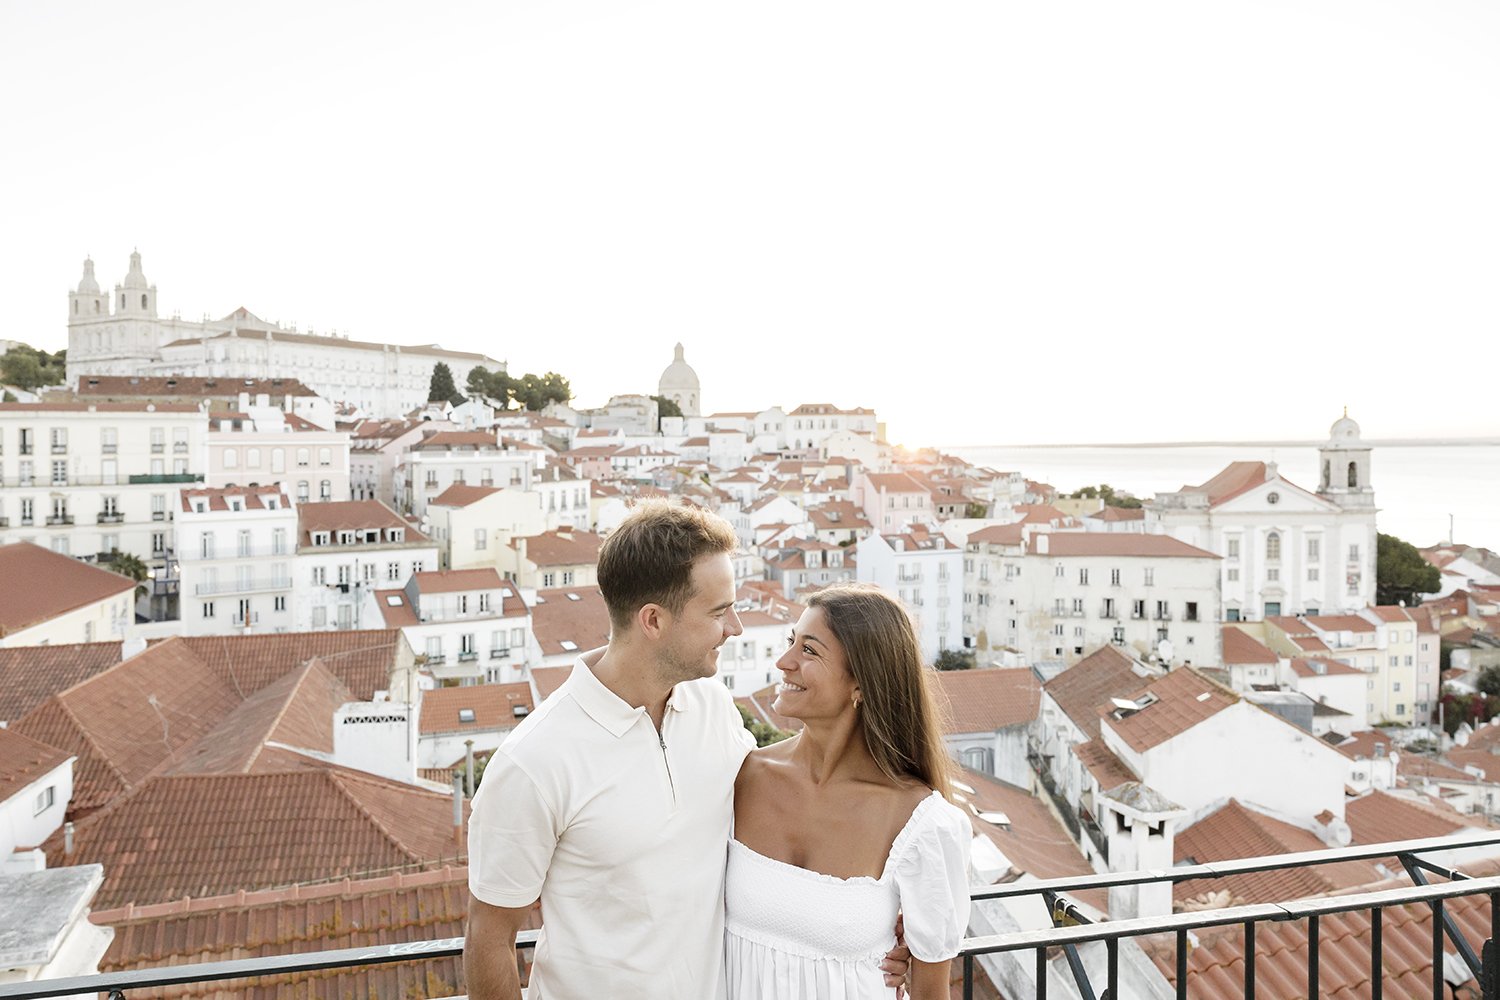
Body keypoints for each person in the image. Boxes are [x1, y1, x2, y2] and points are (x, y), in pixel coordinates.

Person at [464, 501, 909, 999]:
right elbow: (489, 937)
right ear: (653, 620)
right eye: (720, 611)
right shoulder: (533, 761)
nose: (736, 627)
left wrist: (880, 916)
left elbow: (795, 803)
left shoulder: (713, 706)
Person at [727, 584, 971, 999]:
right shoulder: (741, 775)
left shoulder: (923, 824)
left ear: (861, 683)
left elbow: (933, 993)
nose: (783, 662)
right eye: (791, 642)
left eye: (809, 651)